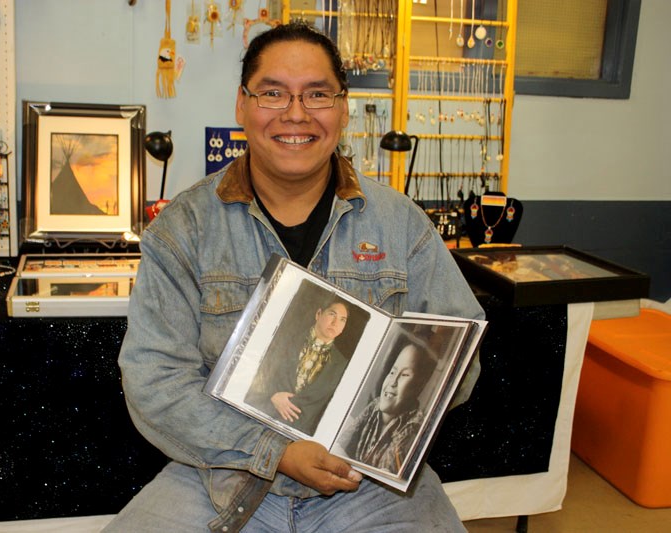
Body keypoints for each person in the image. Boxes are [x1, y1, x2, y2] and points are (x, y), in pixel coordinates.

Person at [105, 21, 484, 533]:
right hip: (221, 472)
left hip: (369, 484)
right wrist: (275, 451)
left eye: (317, 94)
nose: (296, 113)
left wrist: (400, 405)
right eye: (273, 93)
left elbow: (459, 361)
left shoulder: (401, 224)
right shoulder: (184, 228)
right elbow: (154, 381)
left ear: (343, 107)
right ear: (242, 105)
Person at [244, 296, 350, 435]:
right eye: (332, 314)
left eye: (342, 320)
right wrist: (272, 396)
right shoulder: (284, 337)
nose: (336, 323)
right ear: (318, 314)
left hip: (296, 436)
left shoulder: (343, 366)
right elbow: (250, 370)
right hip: (257, 416)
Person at [337, 338, 438, 475]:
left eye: (404, 375)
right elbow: (342, 443)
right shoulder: (375, 405)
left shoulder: (414, 426)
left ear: (419, 385)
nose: (392, 382)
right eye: (392, 372)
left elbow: (385, 471)